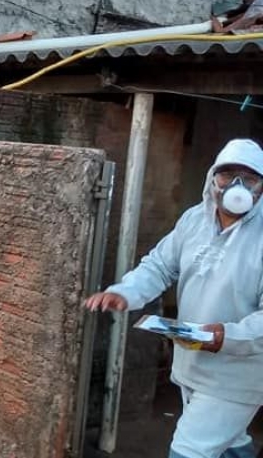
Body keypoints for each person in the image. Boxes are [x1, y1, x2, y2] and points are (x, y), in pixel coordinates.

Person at [85, 138, 263, 458]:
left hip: (239, 372)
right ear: (213, 178)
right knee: (230, 443)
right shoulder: (194, 220)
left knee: (190, 449)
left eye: (249, 178)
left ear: (261, 186)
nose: (237, 186)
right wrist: (125, 292)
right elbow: (160, 265)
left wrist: (226, 336)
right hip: (192, 361)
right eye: (228, 176)